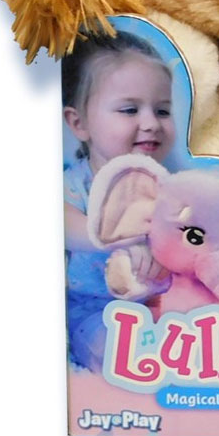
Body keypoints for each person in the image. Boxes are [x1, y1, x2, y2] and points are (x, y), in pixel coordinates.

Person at [61, 31, 175, 371]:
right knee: (117, 352)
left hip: (163, 304)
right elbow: (63, 223)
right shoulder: (76, 184)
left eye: (163, 110)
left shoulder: (171, 186)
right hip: (95, 312)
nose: (151, 123)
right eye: (129, 110)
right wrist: (112, 235)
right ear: (79, 123)